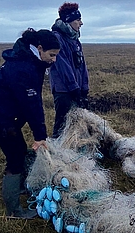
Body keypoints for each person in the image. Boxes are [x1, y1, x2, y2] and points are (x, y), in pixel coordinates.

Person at [0, 28, 60, 219]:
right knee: (15, 158)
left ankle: (20, 188)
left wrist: (39, 134)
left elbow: (31, 101)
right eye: (51, 55)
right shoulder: (24, 68)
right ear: (39, 48)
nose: (54, 59)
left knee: (19, 148)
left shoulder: (31, 59)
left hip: (5, 112)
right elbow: (32, 104)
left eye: (56, 55)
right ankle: (14, 211)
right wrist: (40, 137)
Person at [49, 2, 90, 138]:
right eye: (78, 20)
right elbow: (63, 66)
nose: (81, 23)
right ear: (69, 20)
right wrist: (74, 88)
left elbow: (82, 66)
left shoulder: (75, 40)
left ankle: (72, 150)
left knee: (77, 124)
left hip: (75, 89)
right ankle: (54, 151)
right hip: (63, 91)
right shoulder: (57, 38)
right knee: (62, 124)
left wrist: (84, 88)